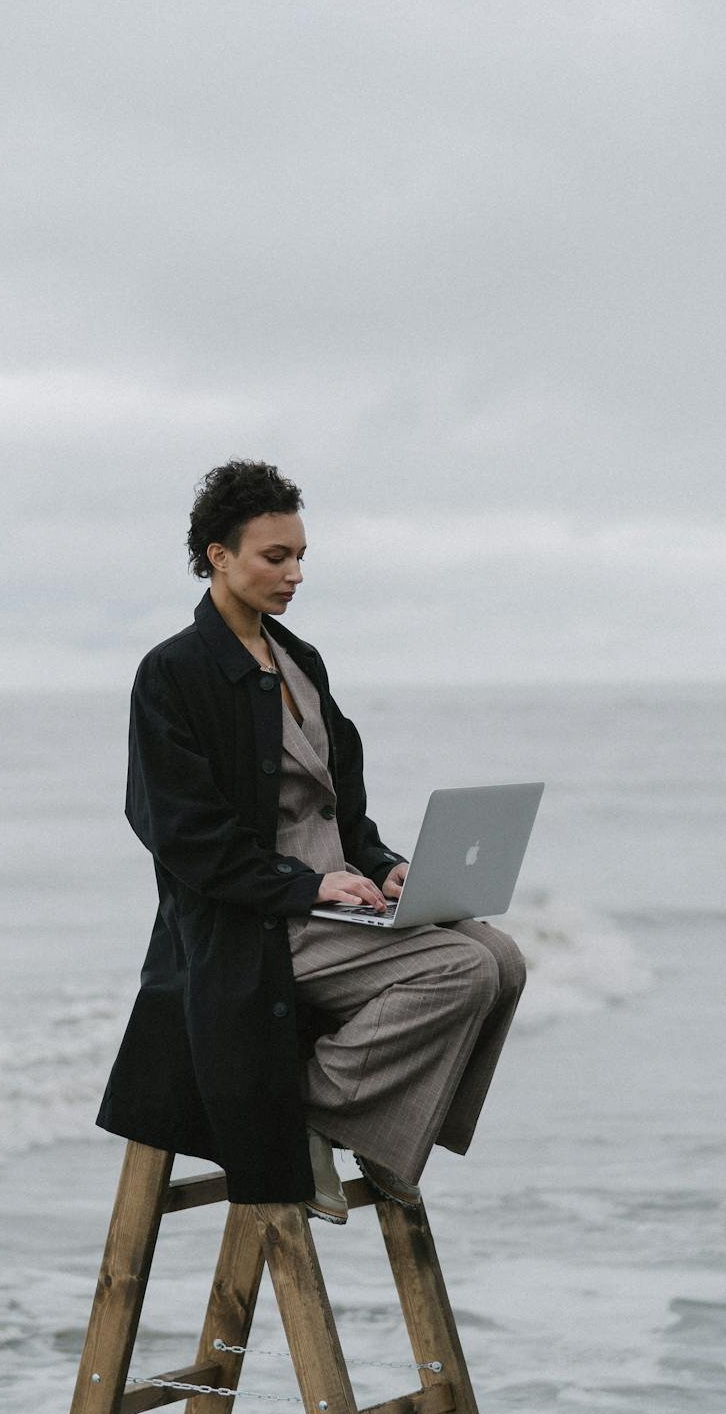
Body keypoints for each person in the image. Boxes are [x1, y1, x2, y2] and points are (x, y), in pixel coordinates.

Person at [94, 459, 528, 1222]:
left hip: (333, 905)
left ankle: (385, 1135)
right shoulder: (173, 673)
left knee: (504, 959)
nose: (294, 573)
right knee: (460, 970)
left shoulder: (300, 661)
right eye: (274, 556)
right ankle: (316, 1115)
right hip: (250, 925)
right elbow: (178, 834)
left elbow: (342, 816)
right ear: (217, 556)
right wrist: (305, 886)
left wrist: (388, 868)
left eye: (300, 556)